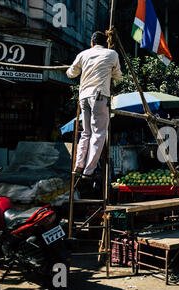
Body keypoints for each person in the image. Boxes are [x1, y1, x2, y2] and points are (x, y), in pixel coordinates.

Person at [67, 31, 123, 179]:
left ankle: (79, 165)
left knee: (86, 133)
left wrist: (70, 70)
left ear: (92, 42)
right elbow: (118, 76)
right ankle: (88, 171)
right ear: (105, 43)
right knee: (98, 134)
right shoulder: (112, 54)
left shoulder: (83, 54)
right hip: (99, 96)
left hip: (84, 97)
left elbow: (71, 73)